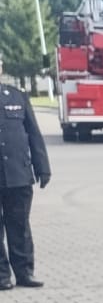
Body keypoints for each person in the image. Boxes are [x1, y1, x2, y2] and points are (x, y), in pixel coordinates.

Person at [0, 78, 51, 289]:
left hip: (18, 174)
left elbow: (33, 133)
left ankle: (24, 273)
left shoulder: (17, 96)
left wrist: (42, 167)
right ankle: (2, 276)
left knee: (20, 226)